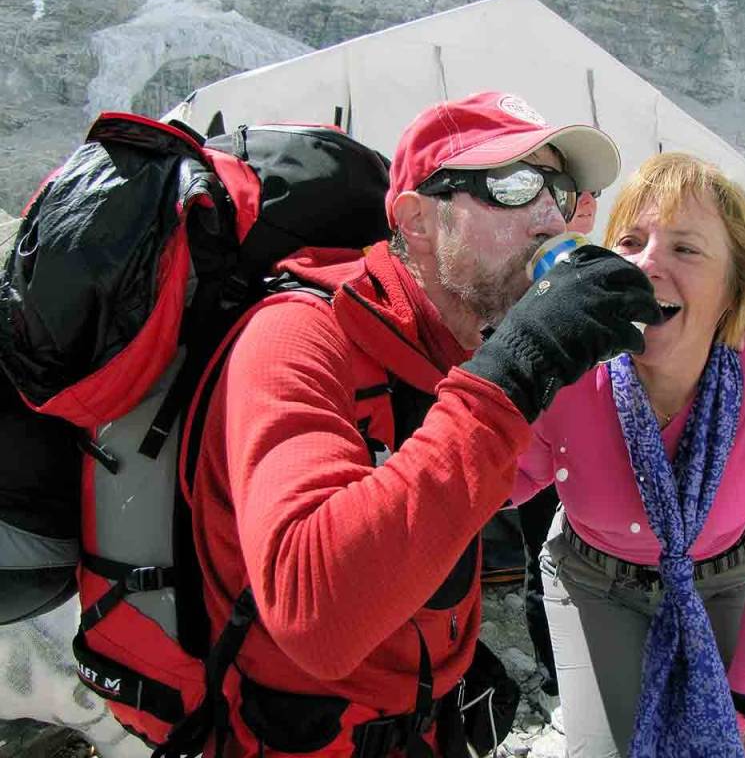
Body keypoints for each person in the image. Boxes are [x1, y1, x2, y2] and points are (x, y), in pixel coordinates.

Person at [186, 91, 661, 758]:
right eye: (514, 185)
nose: (552, 218)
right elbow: (314, 614)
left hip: (425, 720)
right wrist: (516, 371)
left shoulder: (457, 345)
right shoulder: (298, 337)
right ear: (417, 220)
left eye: (559, 191)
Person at [512, 153, 745, 757]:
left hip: (722, 583)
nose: (647, 263)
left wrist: (741, 697)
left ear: (734, 285)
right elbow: (505, 484)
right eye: (630, 242)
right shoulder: (571, 369)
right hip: (592, 583)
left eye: (686, 248)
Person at [517, 188, 601, 706]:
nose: (586, 203)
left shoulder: (590, 261)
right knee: (543, 555)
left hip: (584, 438)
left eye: (591, 195)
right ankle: (557, 678)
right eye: (577, 195)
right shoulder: (524, 266)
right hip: (537, 436)